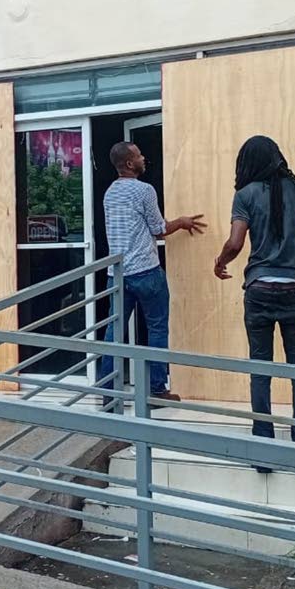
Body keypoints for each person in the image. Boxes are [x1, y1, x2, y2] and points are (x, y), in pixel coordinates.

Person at [213, 136, 295, 465]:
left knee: (260, 368)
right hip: (294, 291)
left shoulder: (245, 195)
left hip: (258, 291)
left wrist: (220, 261)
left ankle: (264, 449)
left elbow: (235, 242)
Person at [97, 141, 205, 404]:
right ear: (130, 164)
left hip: (118, 275)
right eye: (139, 155)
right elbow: (159, 229)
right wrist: (182, 221)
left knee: (114, 331)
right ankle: (157, 390)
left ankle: (108, 392)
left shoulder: (110, 193)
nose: (144, 157)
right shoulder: (145, 190)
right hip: (146, 271)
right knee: (157, 328)